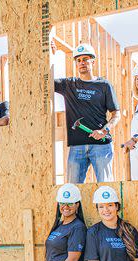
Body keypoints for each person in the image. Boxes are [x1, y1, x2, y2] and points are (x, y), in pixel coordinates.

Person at [51, 42, 121, 183]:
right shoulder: (69, 85)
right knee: (73, 189)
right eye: (79, 60)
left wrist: (104, 130)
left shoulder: (104, 85)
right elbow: (46, 80)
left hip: (101, 146)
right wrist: (51, 55)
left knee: (105, 186)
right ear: (76, 64)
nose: (82, 63)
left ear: (92, 62)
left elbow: (116, 114)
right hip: (77, 147)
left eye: (85, 59)